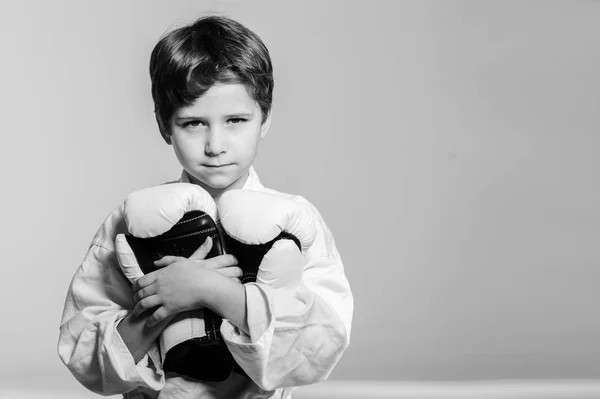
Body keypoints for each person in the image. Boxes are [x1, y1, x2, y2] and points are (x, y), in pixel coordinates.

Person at [57, 14, 353, 399]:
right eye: (194, 123)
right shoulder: (132, 222)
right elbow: (88, 361)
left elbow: (320, 345)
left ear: (264, 119)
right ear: (165, 125)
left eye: (235, 120)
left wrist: (214, 292)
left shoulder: (295, 221)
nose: (216, 144)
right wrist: (161, 303)